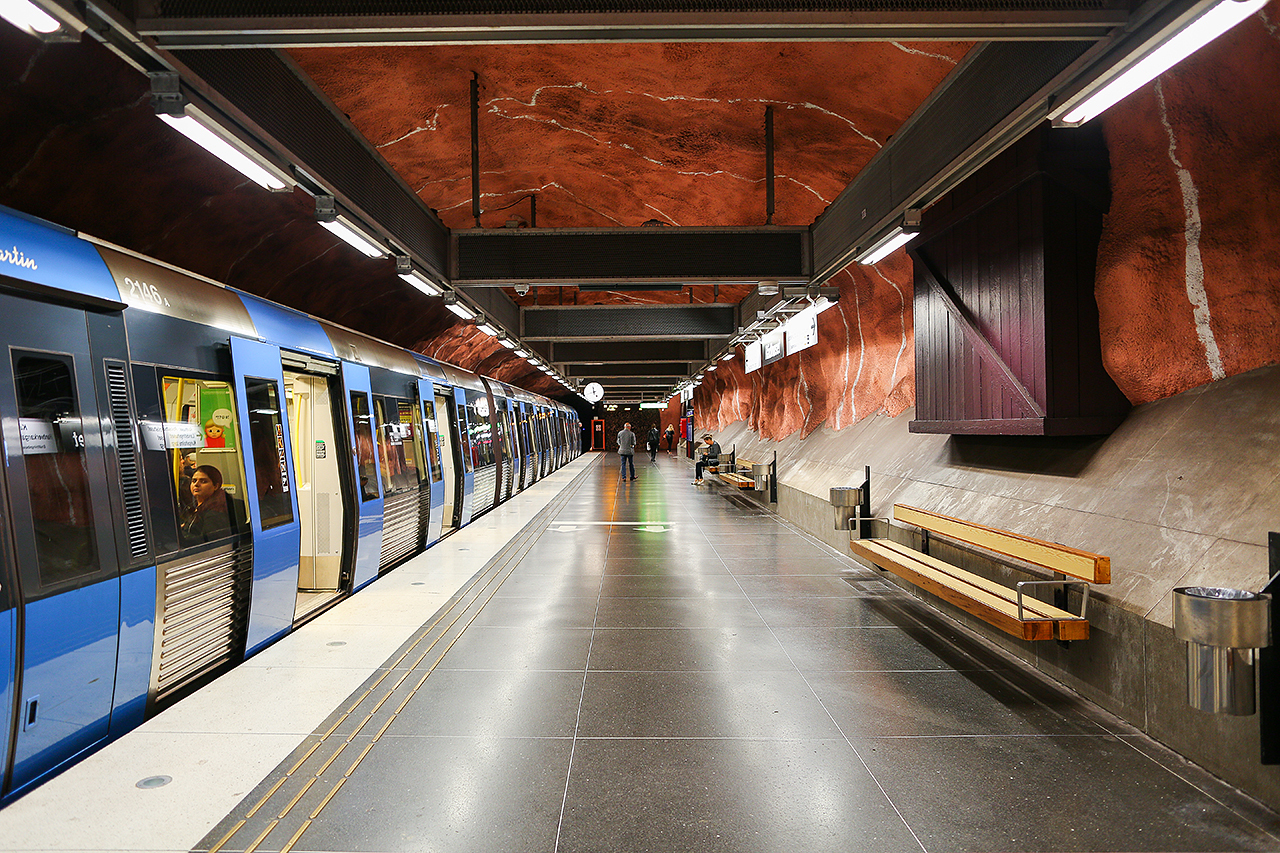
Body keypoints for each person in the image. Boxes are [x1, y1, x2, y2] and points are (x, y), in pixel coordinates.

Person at [181, 464, 234, 544]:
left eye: (203, 481)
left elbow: (207, 543)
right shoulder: (194, 505)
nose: (196, 484)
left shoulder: (216, 513)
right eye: (194, 481)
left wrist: (181, 534)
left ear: (215, 486)